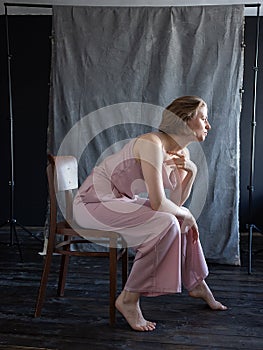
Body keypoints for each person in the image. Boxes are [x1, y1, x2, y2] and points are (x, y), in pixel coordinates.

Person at [73, 95, 227, 332]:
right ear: (185, 120)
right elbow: (158, 203)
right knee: (167, 222)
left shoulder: (180, 154)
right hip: (93, 203)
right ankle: (128, 299)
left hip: (121, 201)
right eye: (204, 118)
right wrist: (187, 213)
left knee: (174, 219)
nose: (208, 125)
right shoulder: (151, 143)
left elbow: (173, 203)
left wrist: (192, 171)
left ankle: (197, 282)